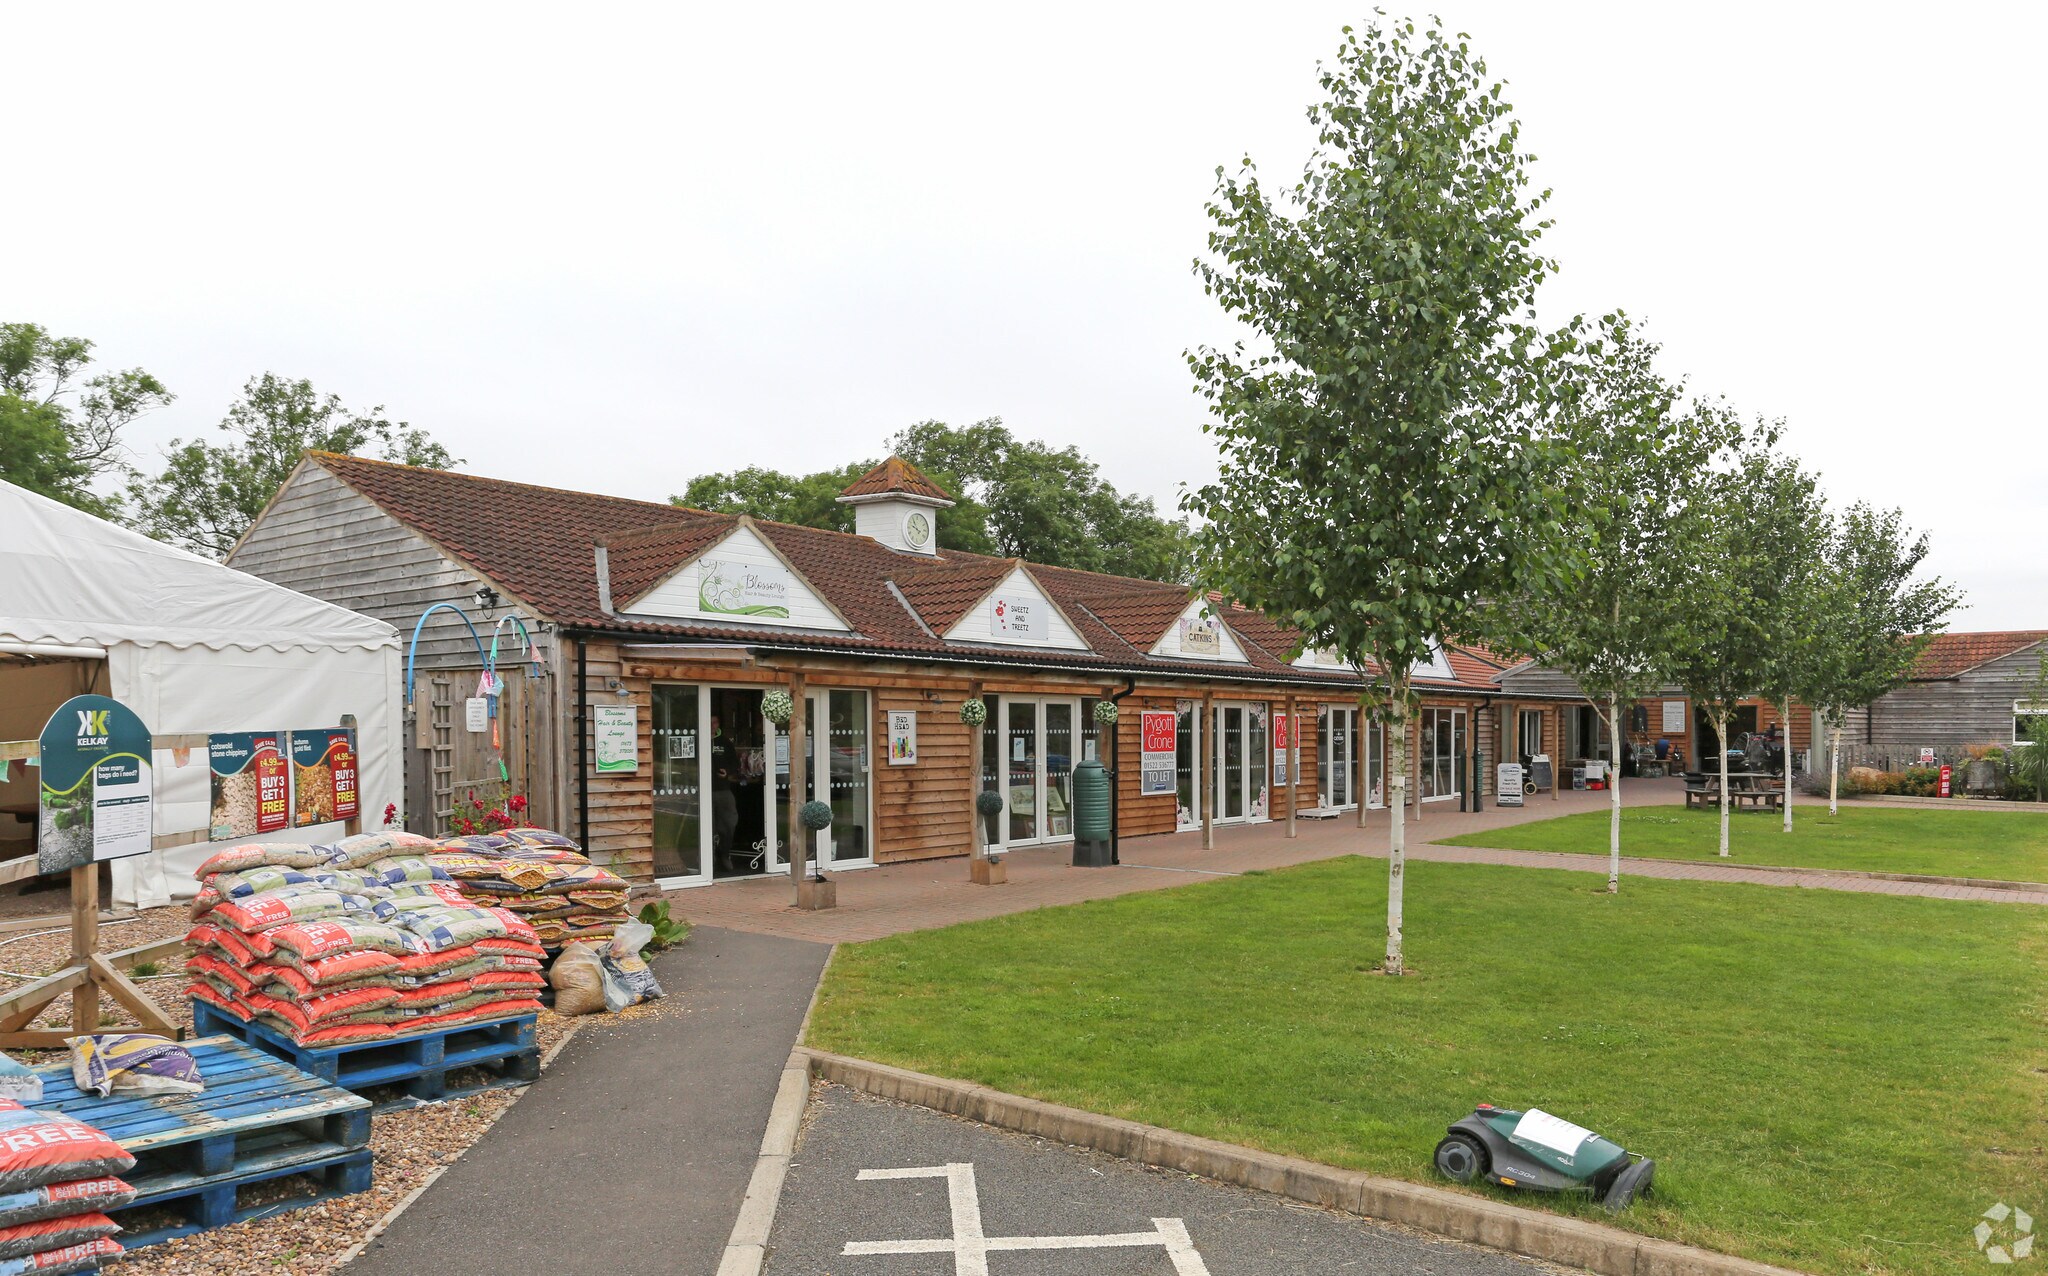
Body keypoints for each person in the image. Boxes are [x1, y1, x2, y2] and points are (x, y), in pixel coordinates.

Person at [710, 713, 738, 855]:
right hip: (704, 791)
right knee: (707, 825)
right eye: (709, 723)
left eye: (714, 722)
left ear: (718, 724)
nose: (711, 726)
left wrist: (727, 772)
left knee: (728, 823)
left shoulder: (725, 742)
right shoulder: (699, 740)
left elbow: (735, 764)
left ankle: (724, 853)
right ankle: (708, 857)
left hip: (723, 789)